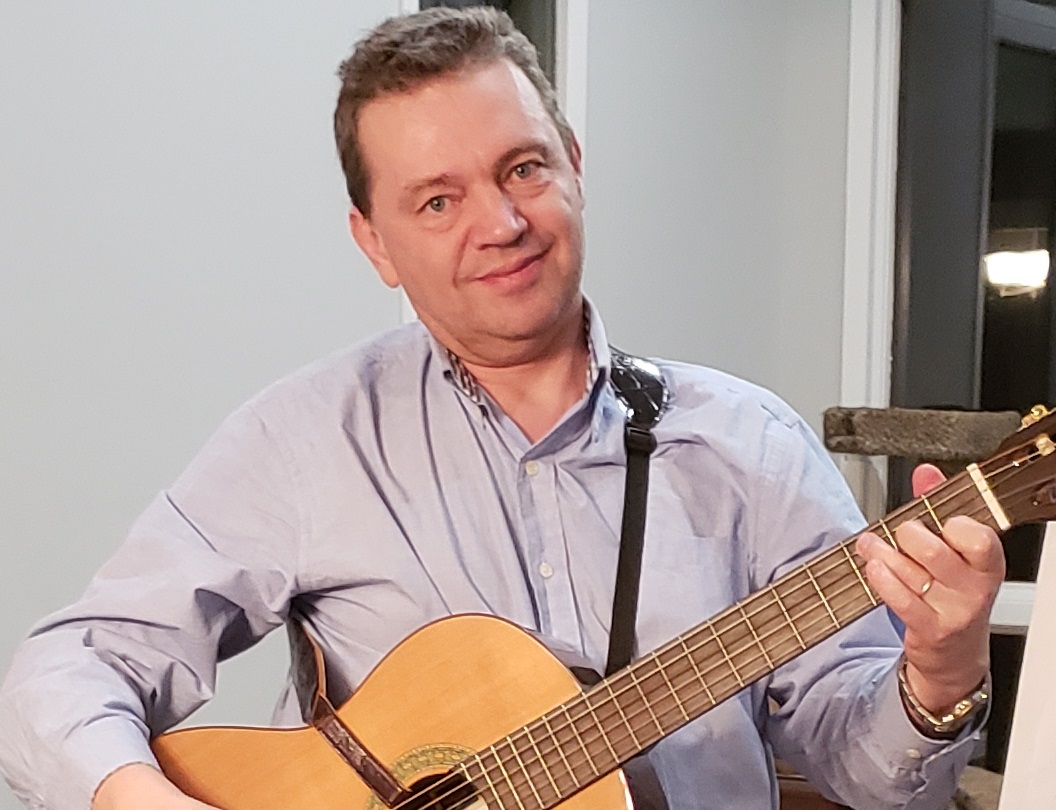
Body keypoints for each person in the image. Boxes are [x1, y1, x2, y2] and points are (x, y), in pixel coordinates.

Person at [0, 7, 1005, 810]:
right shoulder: (304, 440)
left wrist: (942, 663)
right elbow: (67, 670)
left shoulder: (756, 448)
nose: (503, 223)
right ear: (375, 243)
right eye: (437, 200)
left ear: (573, 163)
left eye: (523, 167)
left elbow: (874, 782)